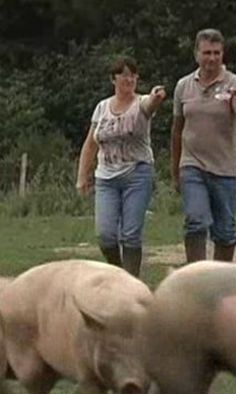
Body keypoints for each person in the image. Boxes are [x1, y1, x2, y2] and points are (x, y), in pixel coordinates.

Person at [171, 28, 236, 264]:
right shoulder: (183, 86)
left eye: (217, 53)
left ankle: (220, 283)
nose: (212, 58)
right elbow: (177, 130)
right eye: (207, 52)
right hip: (192, 165)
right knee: (196, 221)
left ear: (223, 54)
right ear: (196, 54)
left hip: (226, 169)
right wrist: (175, 169)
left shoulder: (234, 84)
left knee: (225, 232)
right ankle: (196, 278)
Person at [76, 56, 167, 276]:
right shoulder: (102, 108)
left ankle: (132, 282)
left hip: (137, 173)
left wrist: (157, 97)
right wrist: (83, 176)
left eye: (133, 75)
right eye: (124, 74)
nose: (129, 79)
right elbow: (90, 144)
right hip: (106, 177)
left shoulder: (141, 103)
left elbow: (151, 104)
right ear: (113, 79)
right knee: (105, 235)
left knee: (130, 234)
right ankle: (118, 273)